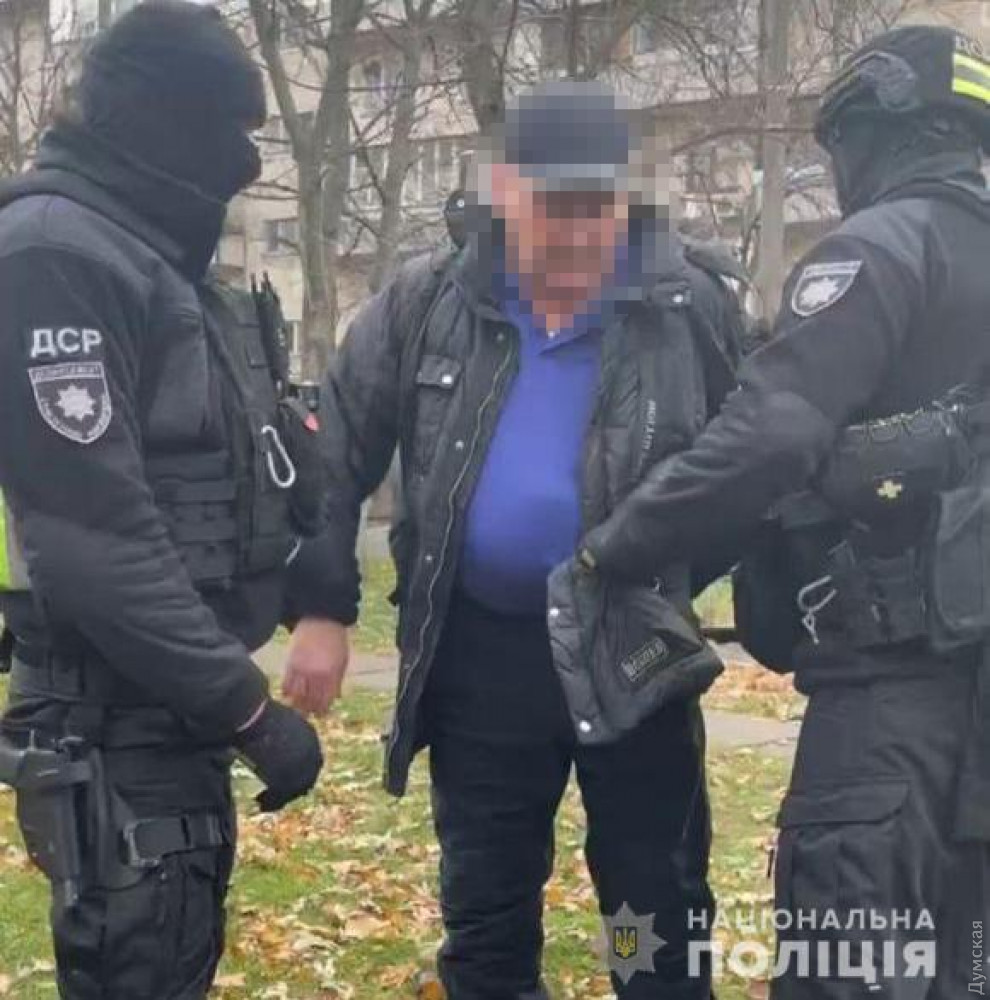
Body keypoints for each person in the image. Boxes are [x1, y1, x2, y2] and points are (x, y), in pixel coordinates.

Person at [284, 81, 745, 999]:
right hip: (481, 657)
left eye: (596, 208)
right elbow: (334, 454)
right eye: (551, 207)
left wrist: (672, 579)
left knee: (649, 911)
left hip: (633, 649)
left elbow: (752, 459)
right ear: (503, 195)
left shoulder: (687, 305)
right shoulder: (426, 299)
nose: (576, 233)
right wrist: (322, 609)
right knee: (487, 912)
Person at [577, 25, 990, 999]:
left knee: (848, 968)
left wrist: (613, 551)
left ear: (873, 130)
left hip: (892, 710)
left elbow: (767, 438)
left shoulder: (880, 251)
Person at [0, 4, 326, 997]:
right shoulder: (56, 252)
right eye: (224, 128)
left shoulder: (150, 257)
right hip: (114, 720)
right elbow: (88, 537)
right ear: (160, 118)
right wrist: (247, 710)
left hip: (167, 714)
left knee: (175, 957)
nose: (241, 161)